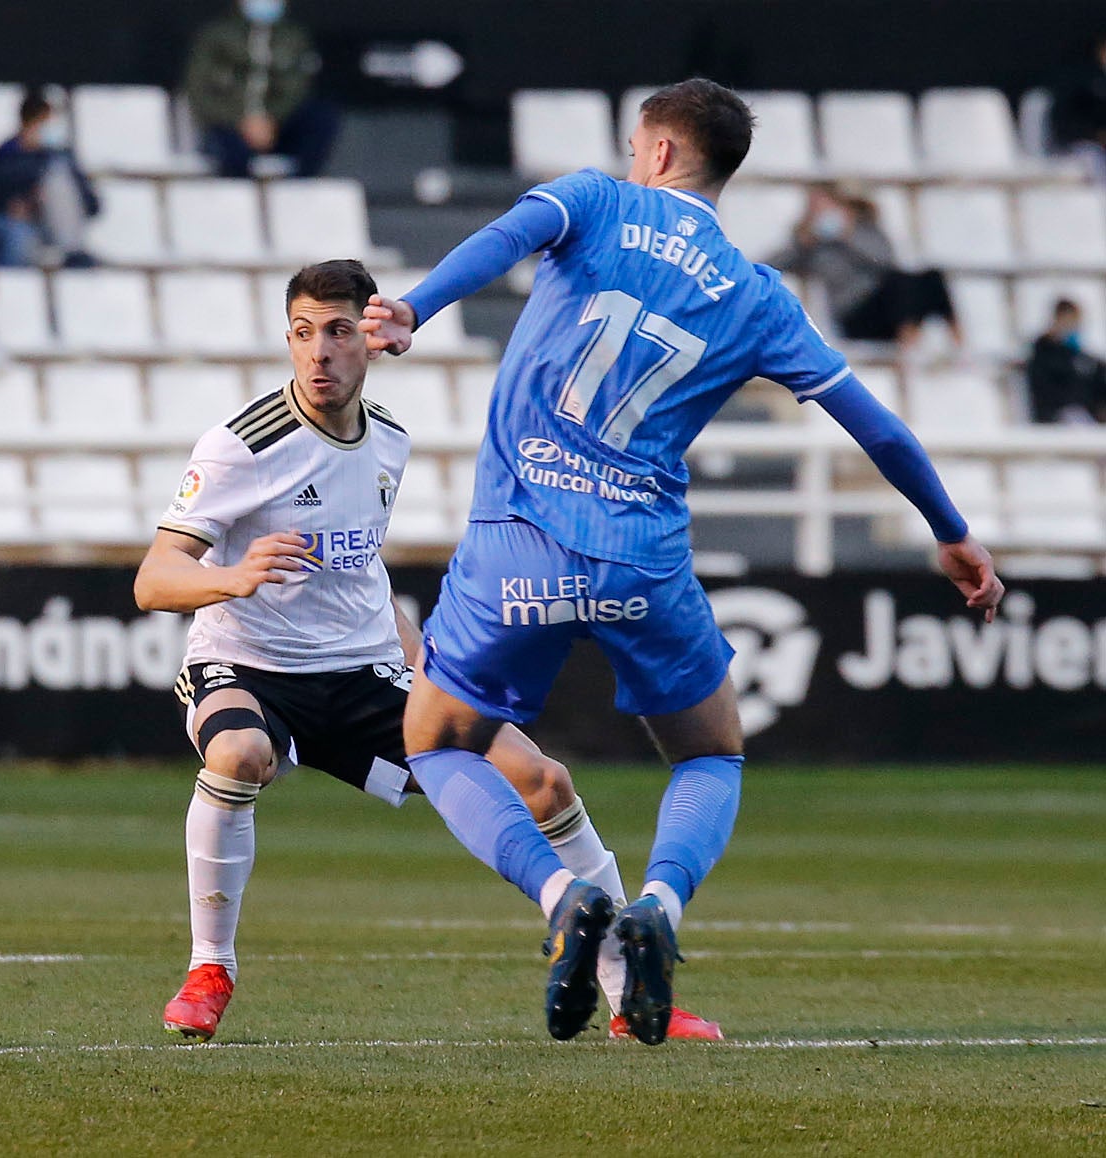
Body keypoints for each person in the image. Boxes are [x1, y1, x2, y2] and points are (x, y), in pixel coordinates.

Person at [360, 79, 1004, 1044]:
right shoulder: (754, 294)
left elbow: (499, 240)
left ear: (657, 152)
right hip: (639, 562)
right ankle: (656, 902)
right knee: (709, 752)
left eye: (634, 144)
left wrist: (413, 306)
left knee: (439, 741)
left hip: (517, 544)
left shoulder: (590, 200)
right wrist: (948, 530)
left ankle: (560, 894)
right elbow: (874, 425)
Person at [135, 259, 720, 1045]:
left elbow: (360, 570)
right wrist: (233, 576)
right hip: (248, 667)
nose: (319, 353)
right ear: (287, 341)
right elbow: (152, 578)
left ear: (368, 340)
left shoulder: (389, 444)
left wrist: (424, 665)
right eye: (303, 334)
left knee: (543, 781)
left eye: (338, 332)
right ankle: (210, 968)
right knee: (238, 754)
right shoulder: (243, 444)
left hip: (361, 670)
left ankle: (628, 993)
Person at [767, 183, 960, 357]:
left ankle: (955, 341)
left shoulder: (863, 229)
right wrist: (803, 243)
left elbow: (886, 260)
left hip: (887, 306)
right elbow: (771, 264)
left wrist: (848, 235)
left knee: (930, 277)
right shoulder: (812, 247)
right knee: (898, 284)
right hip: (854, 315)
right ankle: (908, 346)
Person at [184, 0, 340, 179]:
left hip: (275, 127)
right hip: (229, 127)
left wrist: (270, 120)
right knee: (230, 151)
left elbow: (297, 88)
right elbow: (198, 90)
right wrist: (241, 121)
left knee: (322, 117)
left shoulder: (293, 37)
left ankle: (297, 189)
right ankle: (239, 198)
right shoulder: (216, 35)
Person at [0, 91, 99, 269]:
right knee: (18, 238)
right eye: (45, 122)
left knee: (56, 181)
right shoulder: (7, 154)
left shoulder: (62, 158)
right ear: (29, 123)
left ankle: (72, 252)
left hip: (51, 225)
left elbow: (92, 205)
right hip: (18, 224)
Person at [1025, 298, 1106, 424]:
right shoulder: (1042, 354)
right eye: (1071, 321)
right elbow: (1047, 392)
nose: (1074, 327)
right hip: (1057, 416)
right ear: (1059, 319)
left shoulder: (1079, 355)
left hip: (1086, 413)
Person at [1049, 32, 1106, 183]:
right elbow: (1065, 120)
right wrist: (1096, 135)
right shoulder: (1082, 82)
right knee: (1093, 158)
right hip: (1083, 145)